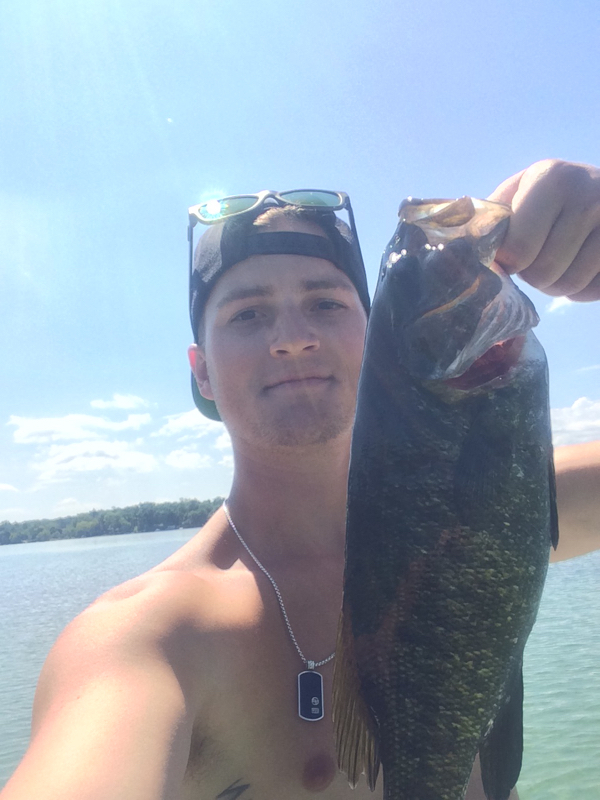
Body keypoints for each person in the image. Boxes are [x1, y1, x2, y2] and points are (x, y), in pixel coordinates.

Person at [2, 159, 599, 800]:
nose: (292, 339)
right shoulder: (146, 641)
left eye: (325, 303)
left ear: (371, 333)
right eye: (247, 315)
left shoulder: (504, 504)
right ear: (201, 373)